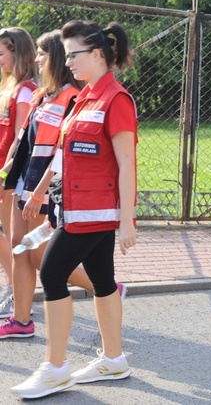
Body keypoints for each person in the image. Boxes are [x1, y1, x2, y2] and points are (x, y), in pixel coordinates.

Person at [12, 20, 137, 399]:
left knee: (51, 273)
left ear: (98, 54)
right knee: (101, 280)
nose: (69, 63)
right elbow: (64, 155)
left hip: (95, 212)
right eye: (66, 56)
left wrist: (128, 218)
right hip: (76, 208)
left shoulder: (117, 99)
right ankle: (114, 360)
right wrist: (37, 193)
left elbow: (127, 163)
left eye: (74, 55)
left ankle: (55, 368)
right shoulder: (83, 98)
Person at [0, 30, 102, 340]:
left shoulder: (72, 97)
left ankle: (105, 288)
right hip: (24, 181)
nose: (37, 59)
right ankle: (21, 320)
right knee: (22, 251)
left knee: (32, 254)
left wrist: (42, 189)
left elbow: (62, 153)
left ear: (54, 57)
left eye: (43, 54)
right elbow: (24, 139)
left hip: (43, 186)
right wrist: (8, 168)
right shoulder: (42, 95)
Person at [0, 27, 38, 318]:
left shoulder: (25, 91)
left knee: (18, 241)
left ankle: (17, 292)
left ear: (18, 54)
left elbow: (19, 138)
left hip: (8, 174)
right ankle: (14, 287)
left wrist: (4, 174)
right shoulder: (8, 86)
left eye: (2, 53)